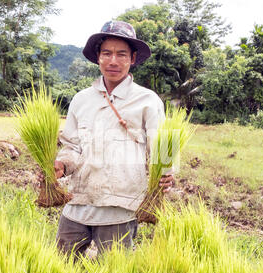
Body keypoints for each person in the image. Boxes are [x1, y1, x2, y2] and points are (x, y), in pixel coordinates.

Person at [54, 20, 174, 257]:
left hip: (121, 207)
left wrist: (167, 175)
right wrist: (61, 165)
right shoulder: (81, 99)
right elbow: (71, 146)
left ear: (132, 58)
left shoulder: (149, 101)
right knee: (61, 266)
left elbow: (164, 149)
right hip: (78, 202)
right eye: (107, 53)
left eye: (121, 54)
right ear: (98, 57)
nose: (113, 61)